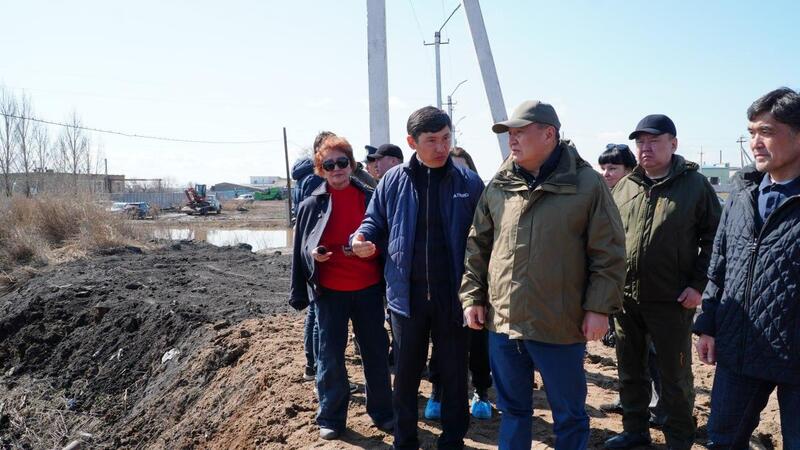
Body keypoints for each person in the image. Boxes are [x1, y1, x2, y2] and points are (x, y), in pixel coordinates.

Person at [460, 100, 626, 449]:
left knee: (569, 414)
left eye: (520, 132)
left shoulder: (586, 184)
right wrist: (473, 296)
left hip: (559, 323)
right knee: (513, 410)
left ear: (549, 134)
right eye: (510, 133)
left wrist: (598, 308)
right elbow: (478, 244)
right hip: (504, 323)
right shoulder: (500, 183)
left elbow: (608, 252)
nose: (512, 140)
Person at [351, 106, 484, 449]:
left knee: (454, 375)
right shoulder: (393, 181)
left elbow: (485, 238)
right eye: (431, 140)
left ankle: (452, 441)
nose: (441, 147)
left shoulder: (468, 183)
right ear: (412, 142)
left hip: (453, 296)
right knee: (407, 375)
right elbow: (373, 221)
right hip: (405, 298)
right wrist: (360, 239)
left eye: (446, 138)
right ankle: (405, 440)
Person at [606, 114, 721, 450]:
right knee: (630, 370)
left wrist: (698, 284)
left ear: (673, 144)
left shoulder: (694, 186)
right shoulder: (626, 187)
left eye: (654, 141)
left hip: (672, 300)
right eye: (640, 142)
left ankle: (679, 438)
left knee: (674, 376)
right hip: (626, 299)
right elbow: (609, 239)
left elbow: (716, 239)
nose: (646, 148)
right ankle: (635, 431)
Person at [693, 87, 800, 449]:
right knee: (722, 439)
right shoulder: (742, 193)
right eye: (752, 132)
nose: (755, 142)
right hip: (741, 346)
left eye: (766, 132)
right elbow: (720, 263)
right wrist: (707, 325)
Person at [289, 136, 393, 440]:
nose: (336, 169)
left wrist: (372, 249)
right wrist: (314, 254)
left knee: (375, 353)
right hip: (330, 292)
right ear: (321, 169)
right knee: (330, 356)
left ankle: (383, 413)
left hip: (368, 289)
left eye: (342, 162)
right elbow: (301, 247)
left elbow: (387, 238)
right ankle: (332, 418)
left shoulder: (371, 198)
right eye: (329, 164)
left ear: (351, 164)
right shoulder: (311, 205)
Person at [597, 143, 665, 426]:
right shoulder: (607, 198)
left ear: (629, 169)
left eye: (613, 168)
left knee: (653, 353)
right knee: (626, 351)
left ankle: (660, 405)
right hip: (618, 287)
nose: (606, 173)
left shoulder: (643, 196)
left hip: (650, 289)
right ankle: (629, 400)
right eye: (603, 168)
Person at [425, 145, 493, 422]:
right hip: (442, 280)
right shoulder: (434, 196)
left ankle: (481, 391)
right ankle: (437, 391)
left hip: (475, 277)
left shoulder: (480, 195)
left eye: (462, 166)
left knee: (478, 339)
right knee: (441, 341)